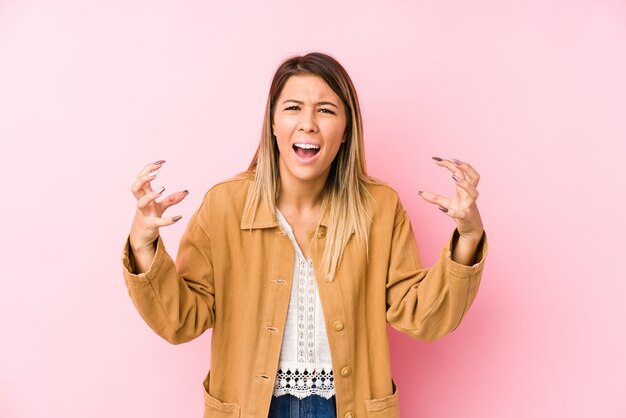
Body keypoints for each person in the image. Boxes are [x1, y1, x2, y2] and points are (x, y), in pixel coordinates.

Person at [121, 52, 488, 418]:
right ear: (273, 124)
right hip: (252, 407)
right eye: (293, 107)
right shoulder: (225, 206)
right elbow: (182, 320)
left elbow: (422, 315)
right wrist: (143, 245)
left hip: (348, 407)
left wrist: (468, 237)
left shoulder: (379, 208)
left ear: (346, 132)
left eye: (326, 110)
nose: (308, 124)